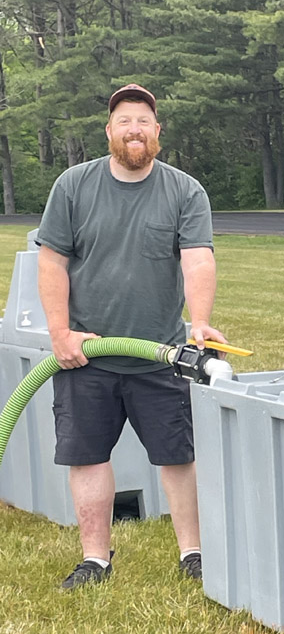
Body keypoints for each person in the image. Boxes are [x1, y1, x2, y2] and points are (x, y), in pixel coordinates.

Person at [36, 83, 226, 589]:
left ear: (157, 131)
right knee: (88, 455)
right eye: (125, 121)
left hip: (160, 353)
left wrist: (200, 321)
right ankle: (95, 559)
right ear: (110, 131)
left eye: (143, 120)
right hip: (87, 356)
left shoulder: (184, 190)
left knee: (178, 456)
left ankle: (194, 553)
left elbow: (198, 258)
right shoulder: (74, 186)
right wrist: (60, 332)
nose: (134, 129)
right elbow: (51, 261)